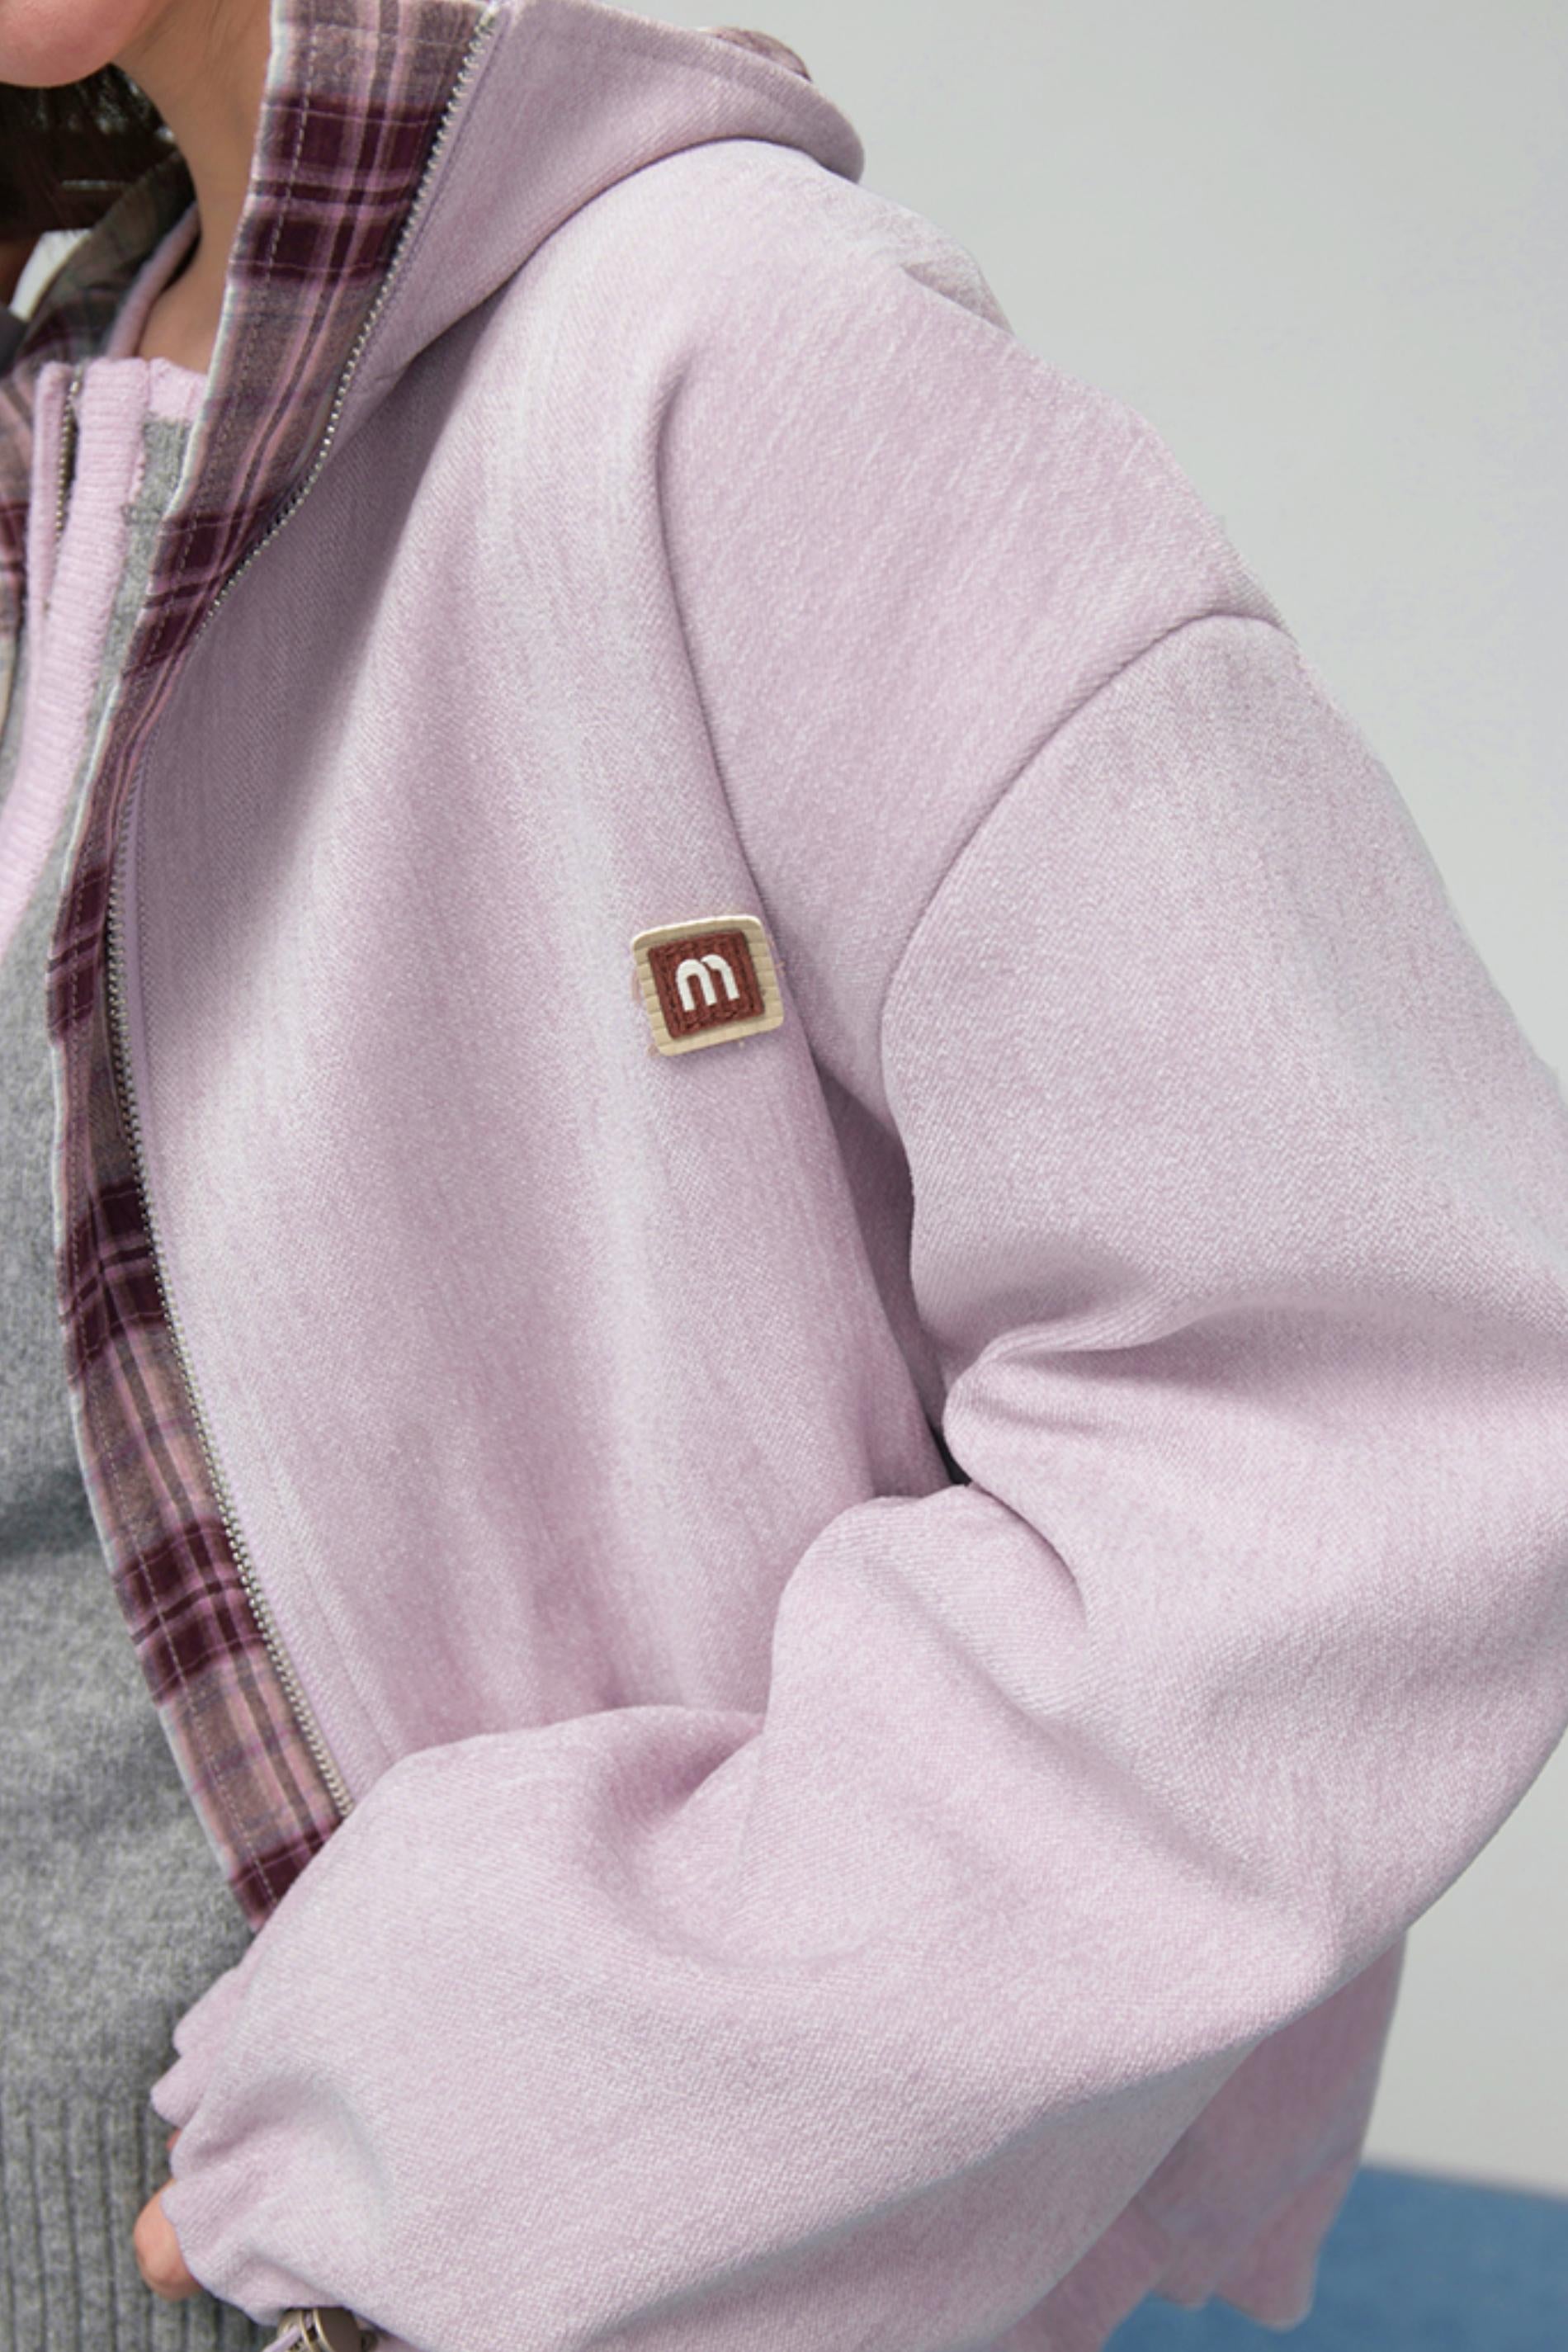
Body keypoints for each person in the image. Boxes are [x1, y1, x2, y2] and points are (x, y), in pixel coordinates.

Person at [2, 3, 1566, 2350]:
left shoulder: (730, 364)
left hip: (438, 2296)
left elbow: (1380, 1410)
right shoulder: (60, 427)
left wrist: (563, 2072)